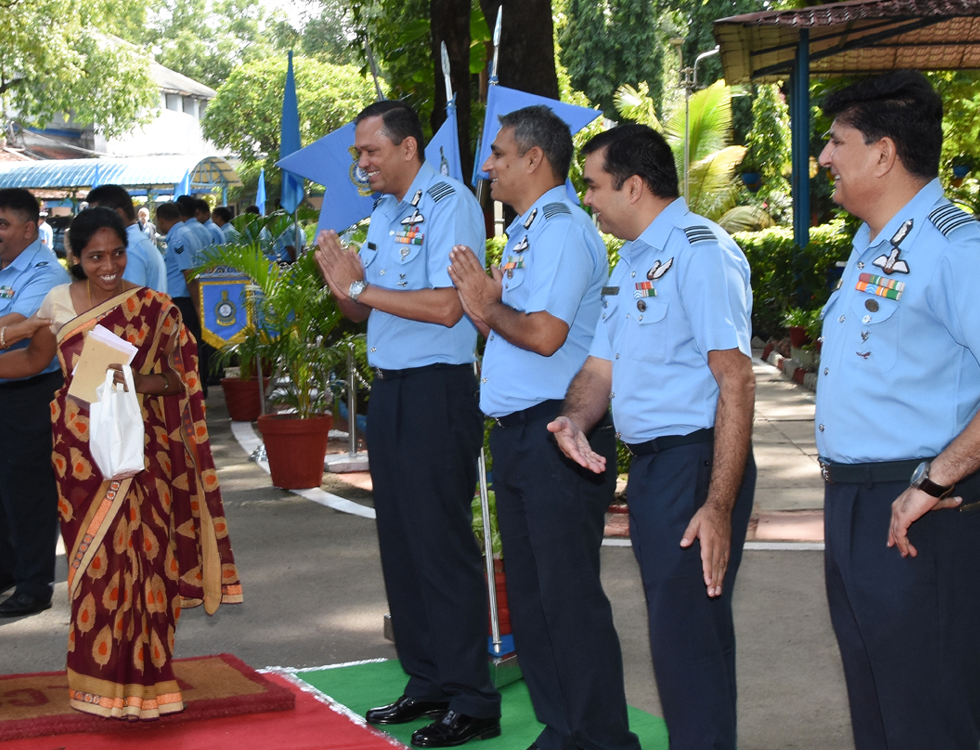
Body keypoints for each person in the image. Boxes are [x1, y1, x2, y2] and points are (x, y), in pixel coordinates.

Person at [814, 71, 980, 750]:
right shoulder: (872, 243)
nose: (823, 158)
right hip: (857, 507)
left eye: (835, 142)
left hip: (924, 515)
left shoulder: (954, 247)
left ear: (882, 154)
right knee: (880, 715)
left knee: (926, 723)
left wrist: (936, 479)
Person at [0, 207, 240, 719]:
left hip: (142, 452)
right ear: (74, 257)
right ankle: (98, 684)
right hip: (80, 458)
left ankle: (150, 680)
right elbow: (36, 361)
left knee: (148, 562)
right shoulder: (56, 302)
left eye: (117, 253)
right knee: (96, 567)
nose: (108, 265)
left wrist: (131, 381)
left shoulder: (154, 308)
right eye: (95, 256)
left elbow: (179, 380)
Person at [552, 124, 756, 749]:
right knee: (684, 639)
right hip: (656, 468)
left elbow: (737, 381)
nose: (585, 197)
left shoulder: (701, 252)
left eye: (592, 185)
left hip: (695, 462)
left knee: (685, 643)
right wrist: (572, 419)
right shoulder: (636, 257)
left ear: (633, 185)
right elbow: (600, 368)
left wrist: (717, 505)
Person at [448, 106, 640, 750]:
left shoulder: (559, 229)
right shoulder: (530, 229)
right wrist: (483, 307)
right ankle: (565, 729)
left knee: (567, 600)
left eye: (499, 153)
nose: (489, 165)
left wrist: (487, 304)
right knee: (532, 600)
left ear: (535, 159)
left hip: (558, 431)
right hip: (521, 430)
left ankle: (604, 738)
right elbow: (506, 326)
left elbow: (543, 333)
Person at [316, 100, 501, 748]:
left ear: (408, 148)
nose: (361, 164)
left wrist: (362, 289)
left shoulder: (450, 203)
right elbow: (362, 316)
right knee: (400, 543)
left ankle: (473, 697)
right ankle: (428, 681)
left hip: (436, 392)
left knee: (440, 545)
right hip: (391, 393)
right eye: (358, 154)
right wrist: (343, 283)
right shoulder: (387, 212)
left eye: (369, 151)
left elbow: (451, 308)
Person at [0, 188, 70, 617]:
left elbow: (15, 328)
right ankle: (5, 566)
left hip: (24, 392)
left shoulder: (47, 275)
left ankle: (34, 583)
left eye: (1, 224)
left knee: (28, 492)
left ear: (29, 228)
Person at [85, 184, 168, 294]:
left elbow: (129, 302)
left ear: (118, 213)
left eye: (97, 216)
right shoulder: (137, 243)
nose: (94, 223)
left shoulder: (129, 248)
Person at [155, 201, 202, 346]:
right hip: (189, 298)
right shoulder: (188, 233)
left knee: (185, 345)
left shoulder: (178, 239)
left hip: (183, 301)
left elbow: (189, 273)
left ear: (161, 220)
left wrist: (197, 307)